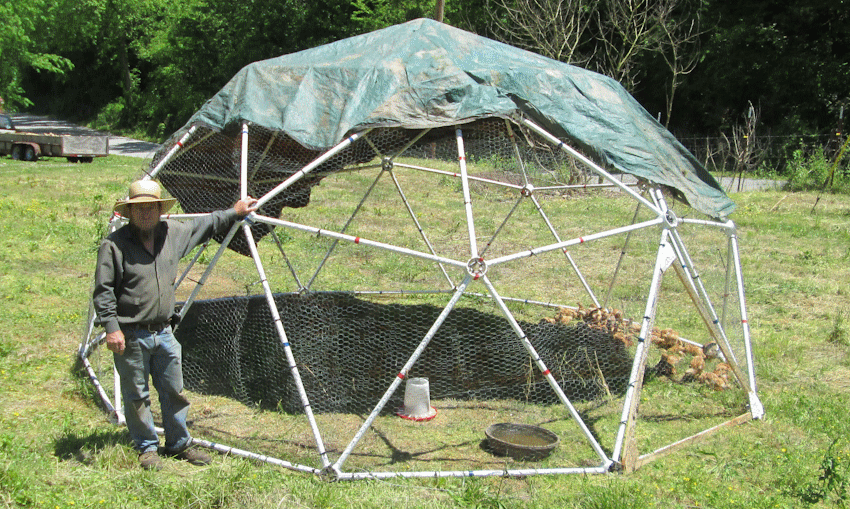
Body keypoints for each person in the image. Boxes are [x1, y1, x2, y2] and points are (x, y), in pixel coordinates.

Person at [92, 179, 258, 470]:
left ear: (160, 210)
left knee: (173, 389)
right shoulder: (114, 246)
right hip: (130, 335)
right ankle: (146, 448)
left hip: (164, 332)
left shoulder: (173, 234)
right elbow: (103, 290)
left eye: (151, 207)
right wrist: (111, 327)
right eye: (139, 208)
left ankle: (179, 443)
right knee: (136, 396)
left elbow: (204, 224)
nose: (145, 213)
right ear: (129, 212)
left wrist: (235, 212)